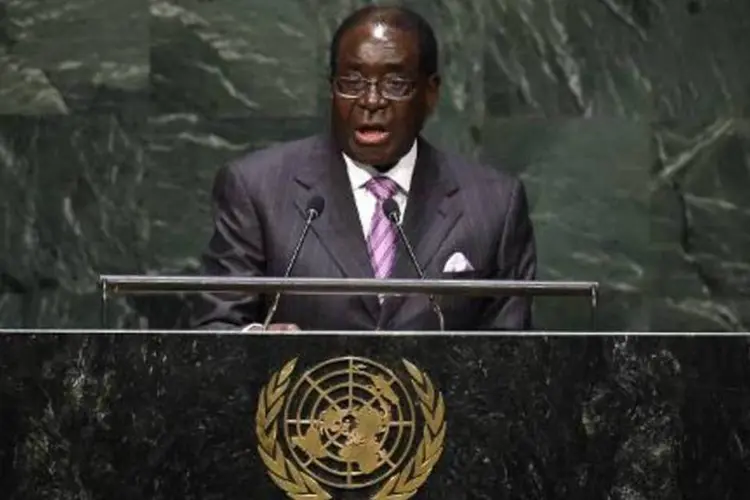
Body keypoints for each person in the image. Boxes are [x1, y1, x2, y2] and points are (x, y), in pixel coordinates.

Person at [190, 5, 536, 331]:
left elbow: (516, 355)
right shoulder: (257, 189)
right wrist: (259, 343)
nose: (371, 101)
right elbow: (215, 328)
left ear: (430, 94)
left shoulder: (494, 205)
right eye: (352, 82)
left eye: (395, 84)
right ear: (332, 89)